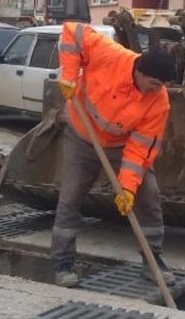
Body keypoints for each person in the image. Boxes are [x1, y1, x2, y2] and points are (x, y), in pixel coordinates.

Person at [53, 21, 177, 288]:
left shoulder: (159, 102)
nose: (157, 90)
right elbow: (72, 31)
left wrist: (128, 187)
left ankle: (152, 260)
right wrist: (70, 74)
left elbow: (141, 147)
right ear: (140, 71)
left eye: (162, 86)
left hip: (119, 145)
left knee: (148, 194)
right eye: (154, 84)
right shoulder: (110, 55)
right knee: (70, 196)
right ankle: (63, 263)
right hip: (82, 135)